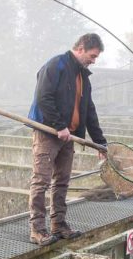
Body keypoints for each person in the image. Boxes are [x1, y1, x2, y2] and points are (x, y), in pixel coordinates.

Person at [26, 33, 107, 246]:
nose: (94, 60)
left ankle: (58, 225)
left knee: (61, 181)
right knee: (41, 180)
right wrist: (59, 125)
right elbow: (43, 97)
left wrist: (100, 142)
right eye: (92, 55)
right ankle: (37, 229)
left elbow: (89, 111)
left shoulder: (83, 77)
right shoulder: (56, 65)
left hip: (68, 136)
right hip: (47, 133)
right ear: (80, 48)